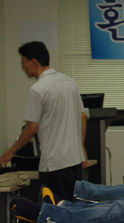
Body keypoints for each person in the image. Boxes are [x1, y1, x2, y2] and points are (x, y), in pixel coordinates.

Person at [0, 41, 87, 200]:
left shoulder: (38, 89)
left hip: (53, 164)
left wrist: (11, 151)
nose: (22, 67)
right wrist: (81, 146)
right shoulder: (70, 82)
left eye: (23, 62)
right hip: (74, 160)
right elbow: (83, 116)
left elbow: (31, 128)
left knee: (53, 208)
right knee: (74, 206)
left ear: (33, 62)